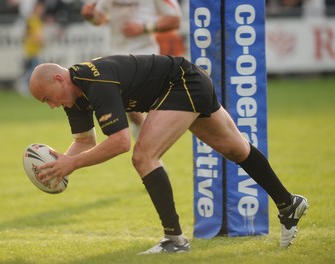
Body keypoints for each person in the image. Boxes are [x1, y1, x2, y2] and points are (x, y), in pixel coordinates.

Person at [28, 54, 309, 254]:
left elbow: (120, 142)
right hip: (186, 82)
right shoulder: (72, 98)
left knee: (142, 156)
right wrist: (58, 165)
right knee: (236, 150)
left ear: (58, 79)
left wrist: (71, 164)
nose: (51, 105)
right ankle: (288, 203)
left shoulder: (95, 83)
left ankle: (174, 240)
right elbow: (85, 142)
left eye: (47, 98)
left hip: (183, 82)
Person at [81, 0, 182, 138]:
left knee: (135, 103)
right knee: (131, 108)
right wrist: (90, 16)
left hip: (144, 54)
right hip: (117, 55)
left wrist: (145, 27)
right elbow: (100, 18)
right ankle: (146, 141)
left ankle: (147, 143)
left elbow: (175, 20)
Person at [17, 1, 45, 96]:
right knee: (34, 70)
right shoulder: (35, 20)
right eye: (40, 8)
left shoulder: (31, 19)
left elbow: (26, 34)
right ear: (36, 8)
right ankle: (23, 84)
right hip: (32, 49)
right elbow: (36, 35)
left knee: (32, 69)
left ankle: (25, 85)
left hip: (31, 49)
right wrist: (40, 41)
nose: (42, 10)